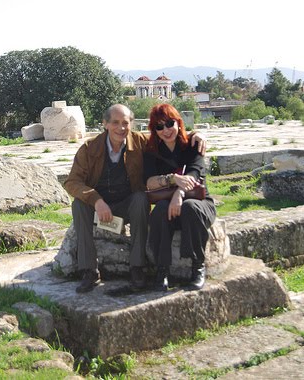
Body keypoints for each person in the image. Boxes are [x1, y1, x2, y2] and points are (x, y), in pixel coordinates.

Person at [64, 103, 207, 293]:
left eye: (125, 123)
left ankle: (137, 267)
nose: (121, 128)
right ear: (105, 124)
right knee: (79, 205)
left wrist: (196, 134)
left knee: (140, 199)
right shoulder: (90, 149)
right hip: (99, 206)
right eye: (115, 122)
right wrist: (96, 200)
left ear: (131, 124)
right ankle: (89, 270)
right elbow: (72, 182)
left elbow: (167, 134)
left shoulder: (140, 142)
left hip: (127, 204)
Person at [143, 103, 216, 292]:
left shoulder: (192, 145)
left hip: (199, 204)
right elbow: (149, 182)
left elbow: (194, 174)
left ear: (178, 123)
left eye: (169, 124)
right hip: (169, 208)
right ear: (154, 130)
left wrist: (179, 193)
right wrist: (172, 179)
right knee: (159, 211)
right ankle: (162, 270)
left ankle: (197, 267)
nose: (166, 130)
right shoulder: (152, 152)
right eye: (159, 126)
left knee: (190, 207)